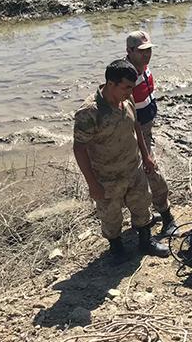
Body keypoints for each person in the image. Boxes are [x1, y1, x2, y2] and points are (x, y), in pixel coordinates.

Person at [73, 59, 170, 263]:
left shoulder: (127, 100)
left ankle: (146, 242)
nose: (130, 92)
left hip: (133, 169)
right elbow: (79, 148)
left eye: (132, 87)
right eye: (126, 87)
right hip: (106, 176)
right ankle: (116, 249)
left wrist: (146, 156)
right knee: (111, 216)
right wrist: (92, 184)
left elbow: (136, 127)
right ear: (111, 83)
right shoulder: (90, 112)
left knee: (142, 206)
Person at [124, 30, 177, 236]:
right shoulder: (127, 75)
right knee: (150, 170)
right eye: (142, 51)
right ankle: (166, 215)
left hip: (146, 126)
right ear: (129, 51)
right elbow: (128, 112)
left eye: (149, 50)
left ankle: (145, 216)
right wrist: (144, 151)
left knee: (143, 172)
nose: (147, 55)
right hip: (136, 132)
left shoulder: (142, 66)